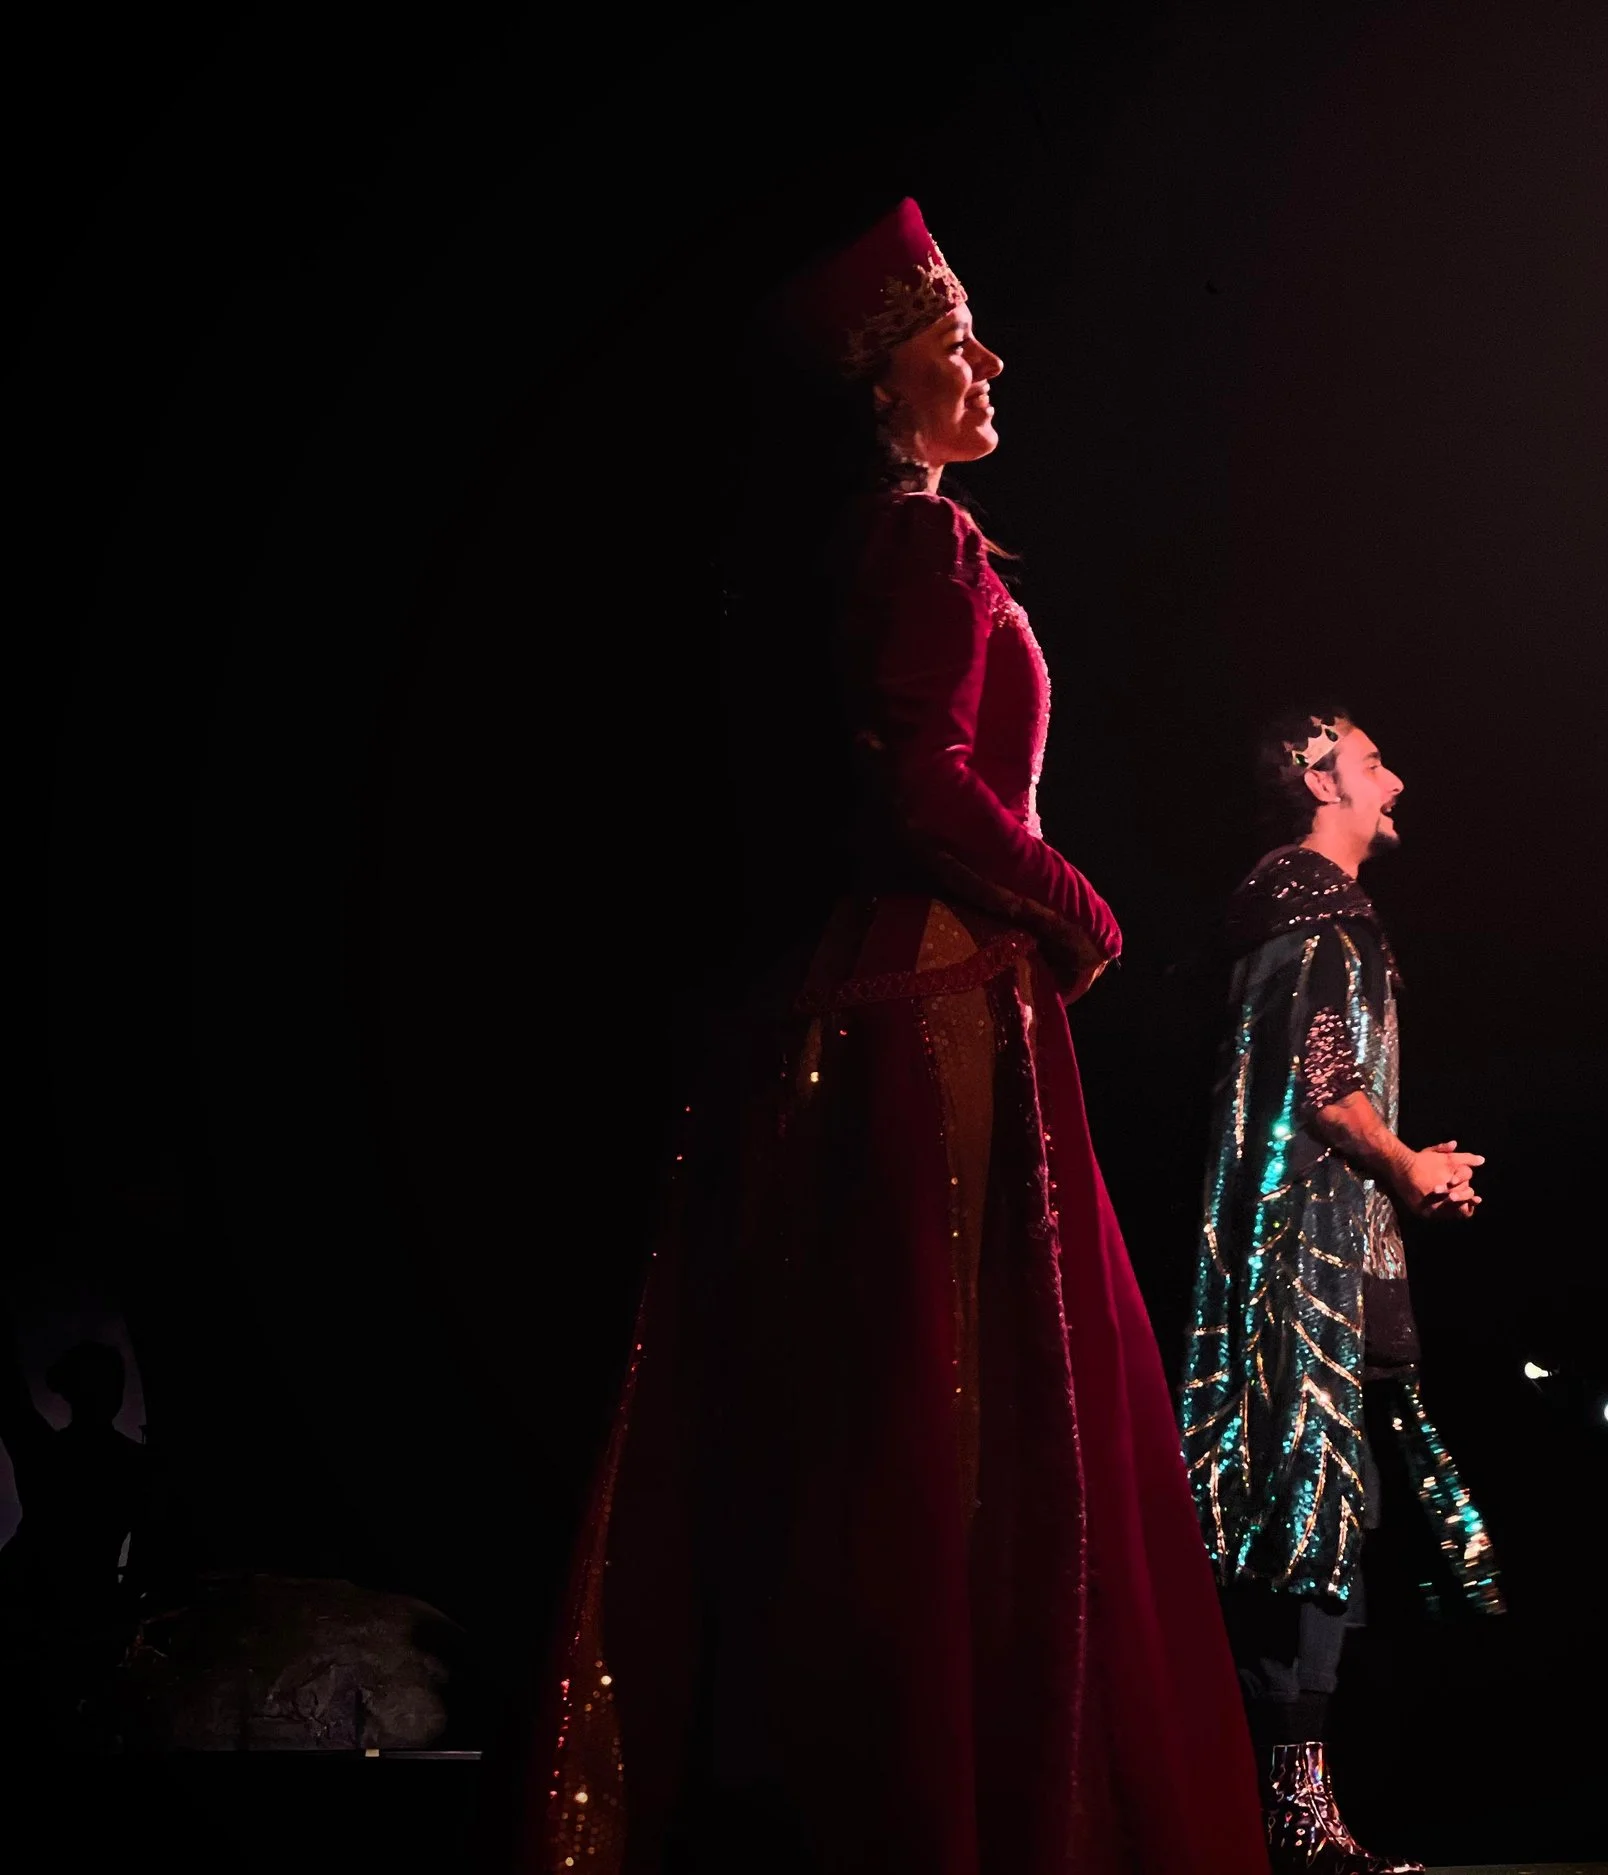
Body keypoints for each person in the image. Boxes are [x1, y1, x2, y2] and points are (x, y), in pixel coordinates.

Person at [537, 200, 1265, 1875]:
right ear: (888, 387)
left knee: (905, 1400)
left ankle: (906, 1793)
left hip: (905, 989)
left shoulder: (908, 540)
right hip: (931, 995)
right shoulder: (919, 546)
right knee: (957, 1406)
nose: (992, 362)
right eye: (958, 339)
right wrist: (1078, 911)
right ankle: (957, 1805)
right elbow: (924, 785)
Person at [1184, 708, 1506, 1874]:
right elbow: (1323, 1084)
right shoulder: (1305, 902)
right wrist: (1405, 1162)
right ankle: (1286, 1812)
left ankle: (1295, 1803)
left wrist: (1403, 1177)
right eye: (1374, 761)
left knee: (1330, 1511)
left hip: (1336, 1248)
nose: (1397, 779)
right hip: (1295, 1263)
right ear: (1317, 774)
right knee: (1297, 1509)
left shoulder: (1328, 913)